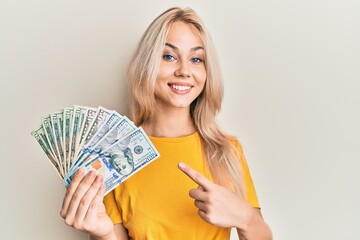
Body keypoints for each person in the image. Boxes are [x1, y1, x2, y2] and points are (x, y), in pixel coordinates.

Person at [60, 7, 272, 240]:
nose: (184, 71)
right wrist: (103, 233)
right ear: (147, 64)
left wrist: (245, 218)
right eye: (169, 56)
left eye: (196, 59)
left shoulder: (227, 151)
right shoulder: (114, 154)